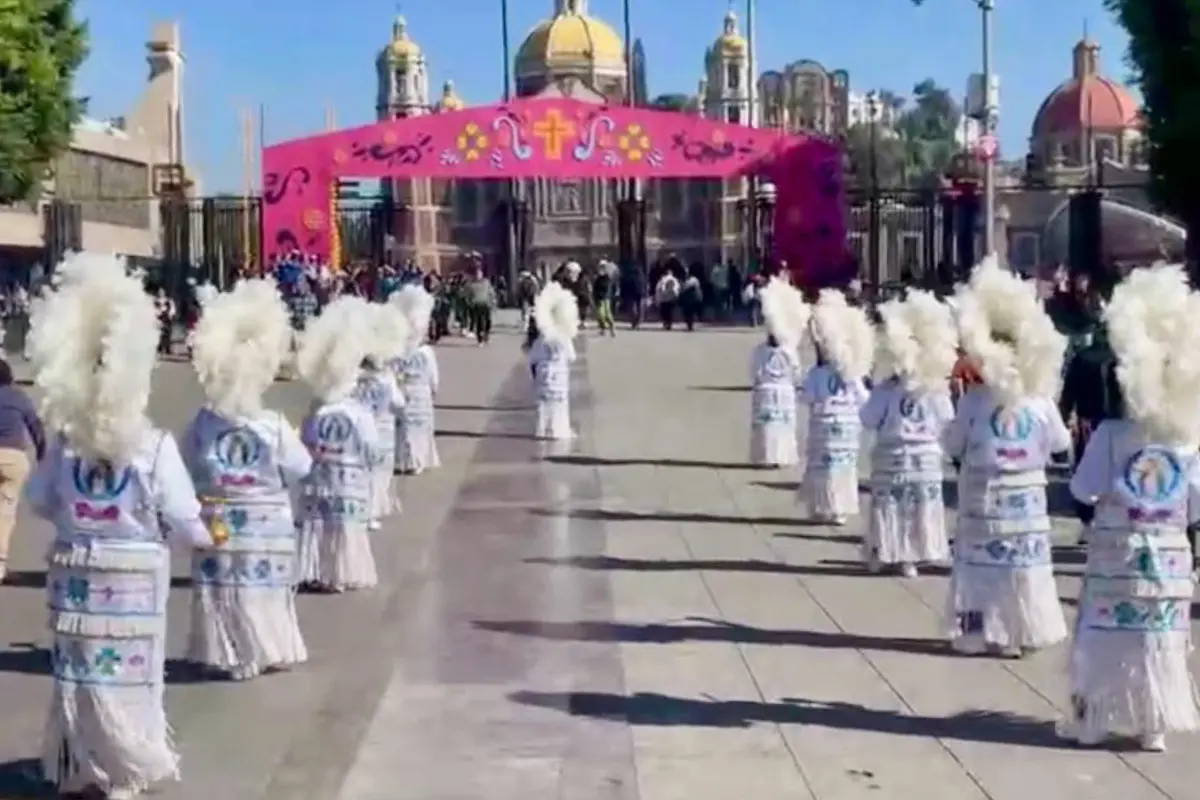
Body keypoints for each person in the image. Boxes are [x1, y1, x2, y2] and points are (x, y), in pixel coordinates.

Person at [23, 252, 214, 799]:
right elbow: (180, 513)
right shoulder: (152, 446)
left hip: (76, 574)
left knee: (80, 676)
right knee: (129, 676)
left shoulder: (64, 445)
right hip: (133, 576)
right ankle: (124, 766)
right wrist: (203, 541)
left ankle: (81, 764)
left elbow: (38, 500)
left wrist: (79, 521)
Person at [1063, 264, 1200, 752]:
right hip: (1167, 561)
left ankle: (1095, 719)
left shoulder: (1112, 435)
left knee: (1103, 633)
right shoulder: (1188, 441)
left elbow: (1081, 489)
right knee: (1159, 640)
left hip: (1116, 556)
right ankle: (1153, 724)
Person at [182, 279, 312, 680]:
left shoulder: (204, 421)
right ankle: (266, 648)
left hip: (219, 519)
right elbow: (302, 466)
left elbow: (187, 462)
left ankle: (230, 651)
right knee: (262, 590)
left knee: (224, 589)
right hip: (267, 523)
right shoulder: (271, 425)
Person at [942, 255, 1071, 657]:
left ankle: (979, 634)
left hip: (984, 500)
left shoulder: (976, 402)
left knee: (981, 572)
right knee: (1023, 571)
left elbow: (952, 446)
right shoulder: (1041, 401)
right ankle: (1023, 632)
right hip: (1026, 506)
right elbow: (1061, 445)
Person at [859, 290, 956, 577]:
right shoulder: (935, 389)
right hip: (923, 458)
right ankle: (911, 555)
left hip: (894, 456)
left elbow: (868, 419)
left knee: (891, 509)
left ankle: (888, 552)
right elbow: (947, 422)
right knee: (917, 509)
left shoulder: (888, 389)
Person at [295, 296, 382, 592]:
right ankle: (342, 573)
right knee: (345, 530)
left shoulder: (315, 410)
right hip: (349, 480)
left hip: (319, 480)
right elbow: (372, 450)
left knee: (318, 527)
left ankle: (316, 570)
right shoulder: (357, 413)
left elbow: (303, 445)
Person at [796, 289, 874, 524]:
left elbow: (807, 397)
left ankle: (823, 506)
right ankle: (840, 510)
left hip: (824, 425)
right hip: (847, 429)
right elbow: (864, 399)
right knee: (844, 470)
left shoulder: (817, 373)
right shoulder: (851, 372)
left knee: (823, 469)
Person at [354, 302, 408, 530]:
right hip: (382, 430)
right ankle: (371, 512)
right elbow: (399, 403)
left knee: (361, 472)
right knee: (378, 474)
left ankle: (361, 509)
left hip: (357, 431)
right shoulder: (386, 379)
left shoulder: (353, 378)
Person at [748, 277, 808, 467]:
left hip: (768, 390)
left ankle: (768, 456)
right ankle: (780, 457)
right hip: (783, 390)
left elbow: (754, 371)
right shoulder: (789, 350)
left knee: (769, 427)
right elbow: (796, 371)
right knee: (781, 427)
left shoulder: (761, 350)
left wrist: (759, 383)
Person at [0, 356, 44, 583]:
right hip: (13, 458)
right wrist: (43, 454)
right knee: (5, 513)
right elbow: (35, 426)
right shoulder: (18, 397)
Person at [390, 284, 441, 474]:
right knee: (420, 428)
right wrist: (434, 390)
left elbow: (392, 372)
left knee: (404, 428)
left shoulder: (398, 350)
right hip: (421, 393)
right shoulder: (426, 352)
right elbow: (433, 376)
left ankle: (403, 460)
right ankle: (418, 460)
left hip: (404, 390)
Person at [527, 281, 580, 440]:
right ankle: (559, 430)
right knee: (560, 406)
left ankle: (542, 429)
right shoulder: (564, 337)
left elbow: (532, 358)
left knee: (543, 405)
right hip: (560, 376)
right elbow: (571, 357)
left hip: (544, 375)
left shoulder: (542, 339)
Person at [465, 267, 496, 345]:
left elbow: (491, 292)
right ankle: (480, 339)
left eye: (479, 274)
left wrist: (493, 301)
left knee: (488, 321)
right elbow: (467, 295)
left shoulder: (486, 282)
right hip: (476, 304)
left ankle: (486, 335)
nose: (478, 275)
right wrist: (470, 303)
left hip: (486, 304)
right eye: (477, 274)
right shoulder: (470, 284)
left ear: (482, 274)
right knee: (479, 322)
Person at [592, 264, 617, 336]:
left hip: (606, 298)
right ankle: (603, 329)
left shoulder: (607, 278)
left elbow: (607, 287)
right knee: (600, 314)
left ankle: (612, 327)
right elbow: (595, 289)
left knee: (607, 314)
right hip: (599, 298)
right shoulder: (598, 279)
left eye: (601, 270)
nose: (599, 271)